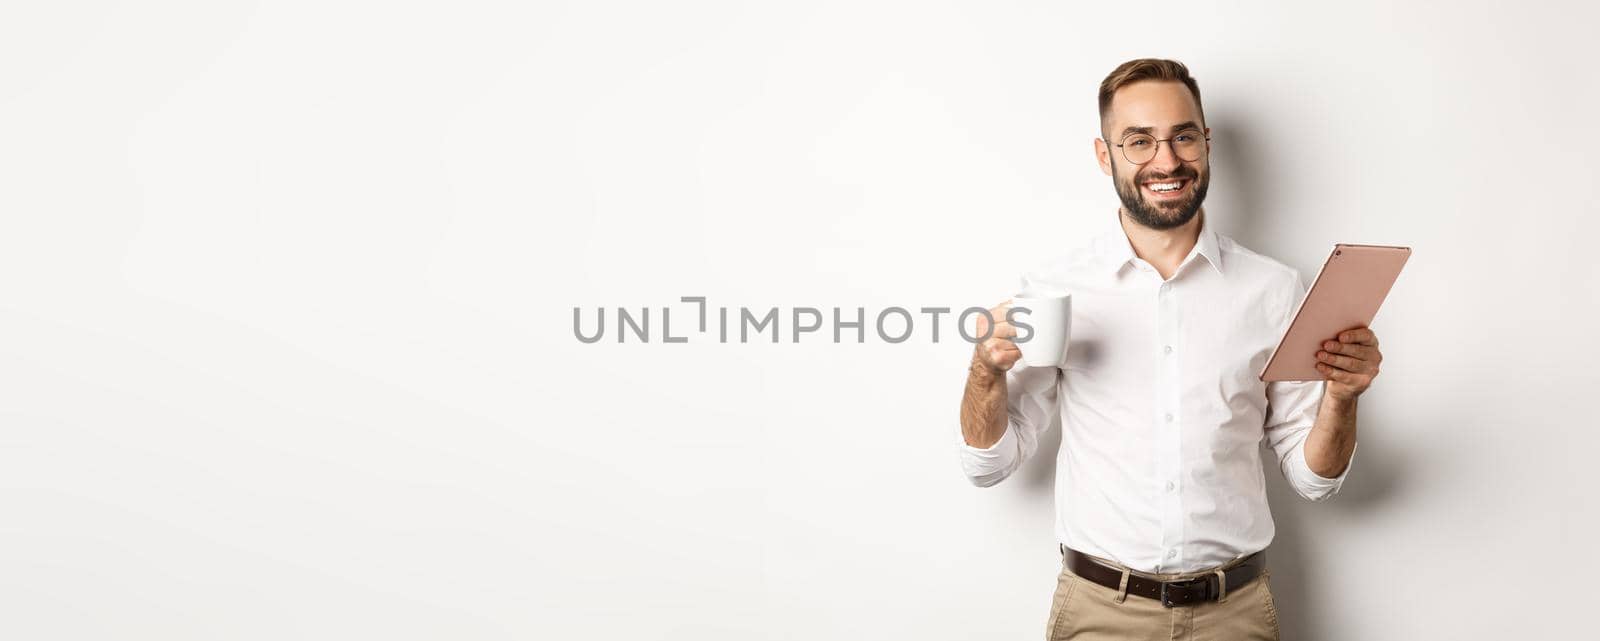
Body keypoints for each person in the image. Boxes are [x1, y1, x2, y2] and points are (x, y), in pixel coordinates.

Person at [957, 58, 1382, 641]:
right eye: (1139, 141)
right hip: (1100, 613)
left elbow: (1316, 480)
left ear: (1205, 145)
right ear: (1105, 156)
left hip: (1234, 614)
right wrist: (984, 371)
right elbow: (988, 465)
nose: (1167, 160)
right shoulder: (1055, 292)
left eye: (1183, 136)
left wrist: (1342, 395)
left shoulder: (1276, 290)